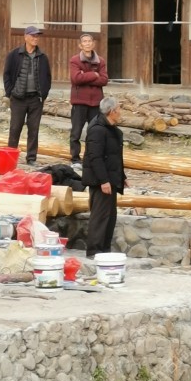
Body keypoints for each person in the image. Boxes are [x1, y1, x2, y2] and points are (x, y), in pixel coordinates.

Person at [83, 96, 127, 259]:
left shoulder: (110, 128)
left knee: (110, 217)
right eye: (119, 109)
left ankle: (104, 250)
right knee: (100, 216)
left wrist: (122, 176)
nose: (120, 112)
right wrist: (104, 181)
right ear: (112, 111)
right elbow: (95, 158)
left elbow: (114, 156)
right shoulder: (97, 129)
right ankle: (94, 251)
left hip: (110, 179)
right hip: (101, 181)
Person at [2, 25, 52, 165]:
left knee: (34, 129)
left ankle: (31, 158)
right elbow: (6, 74)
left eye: (37, 36)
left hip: (36, 99)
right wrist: (10, 92)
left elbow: (48, 77)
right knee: (15, 128)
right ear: (25, 37)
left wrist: (43, 94)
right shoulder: (14, 54)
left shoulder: (42, 57)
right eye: (33, 36)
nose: (35, 38)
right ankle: (11, 157)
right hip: (18, 98)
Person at [68, 32, 108, 172]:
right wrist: (94, 75)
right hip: (79, 101)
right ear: (80, 45)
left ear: (93, 44)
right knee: (76, 133)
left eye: (89, 41)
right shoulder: (75, 60)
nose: (87, 43)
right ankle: (75, 159)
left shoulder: (100, 61)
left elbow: (104, 80)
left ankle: (91, 158)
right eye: (84, 41)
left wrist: (85, 76)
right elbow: (76, 79)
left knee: (94, 132)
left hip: (96, 102)